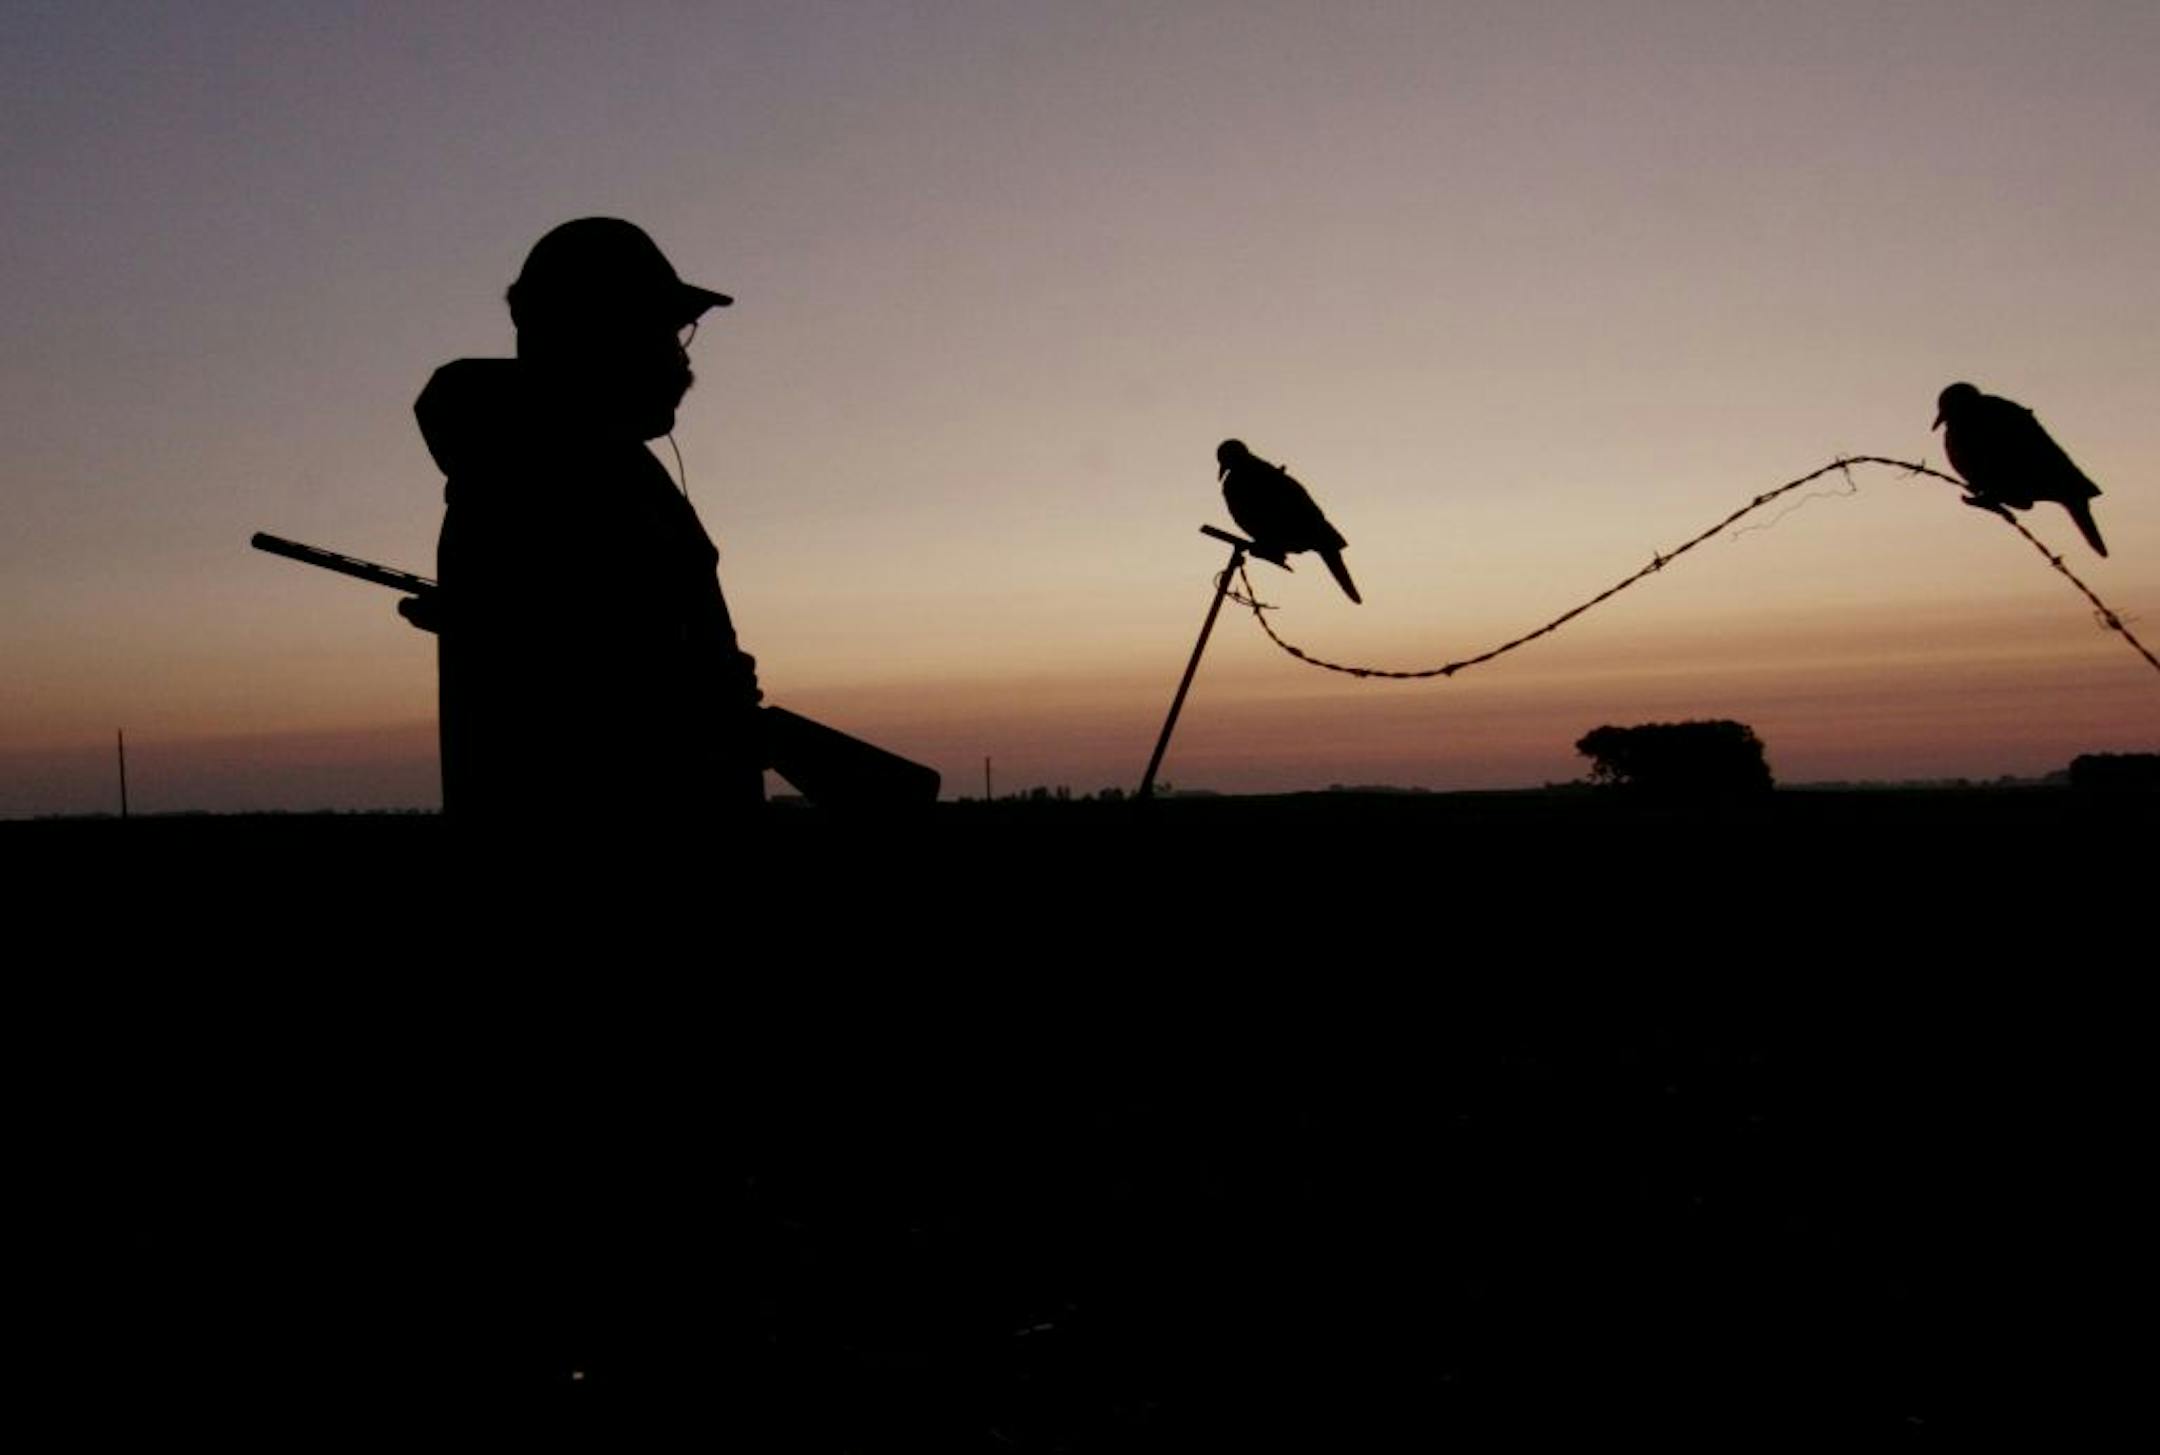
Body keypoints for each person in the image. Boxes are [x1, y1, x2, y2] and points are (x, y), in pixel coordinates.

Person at [414, 218, 765, 828]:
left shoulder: (606, 466)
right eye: (659, 328)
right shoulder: (543, 475)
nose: (677, 352)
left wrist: (715, 676)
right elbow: (583, 712)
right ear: (597, 333)